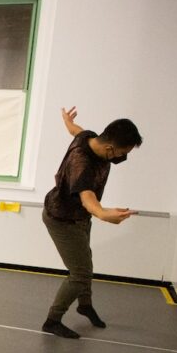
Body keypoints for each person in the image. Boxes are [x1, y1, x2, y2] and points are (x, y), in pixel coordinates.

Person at [41, 107, 143, 339]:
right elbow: (88, 199)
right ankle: (52, 321)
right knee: (80, 272)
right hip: (62, 219)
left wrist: (67, 120)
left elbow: (74, 130)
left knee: (86, 262)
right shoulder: (82, 165)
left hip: (78, 217)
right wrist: (104, 214)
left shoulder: (88, 137)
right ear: (109, 148)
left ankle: (84, 305)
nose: (122, 157)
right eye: (122, 153)